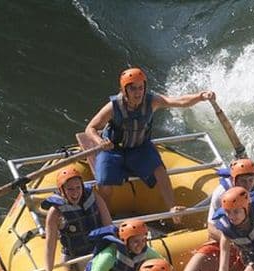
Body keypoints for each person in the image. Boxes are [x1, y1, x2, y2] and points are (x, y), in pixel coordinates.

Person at [85, 66, 215, 215]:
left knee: (159, 170)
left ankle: (172, 208)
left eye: (141, 88)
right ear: (124, 90)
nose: (138, 92)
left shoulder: (152, 101)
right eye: (133, 89)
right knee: (104, 183)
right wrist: (100, 142)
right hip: (113, 149)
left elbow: (178, 101)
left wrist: (200, 96)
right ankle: (103, 218)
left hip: (140, 147)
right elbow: (91, 128)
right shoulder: (113, 107)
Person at [41, 166, 112, 271]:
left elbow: (108, 224)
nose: (75, 193)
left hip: (97, 249)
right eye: (70, 189)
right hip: (76, 257)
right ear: (62, 190)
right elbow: (50, 245)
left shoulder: (93, 196)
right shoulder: (55, 212)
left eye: (78, 188)